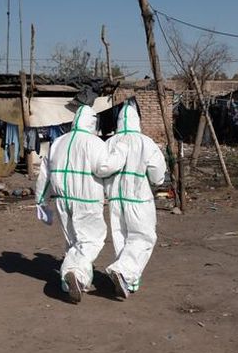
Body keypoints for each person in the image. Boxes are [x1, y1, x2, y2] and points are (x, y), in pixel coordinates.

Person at [34, 104, 114, 304]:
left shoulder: (58, 142)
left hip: (62, 200)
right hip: (86, 200)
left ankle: (76, 282)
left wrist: (41, 201)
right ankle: (72, 273)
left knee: (73, 242)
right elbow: (103, 169)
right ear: (92, 122)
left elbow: (45, 175)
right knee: (91, 241)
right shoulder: (95, 143)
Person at [95, 100, 166, 300]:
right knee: (143, 238)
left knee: (122, 239)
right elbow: (157, 175)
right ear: (137, 121)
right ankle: (124, 272)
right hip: (139, 198)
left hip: (115, 199)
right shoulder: (145, 142)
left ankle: (130, 281)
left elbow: (102, 168)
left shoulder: (110, 142)